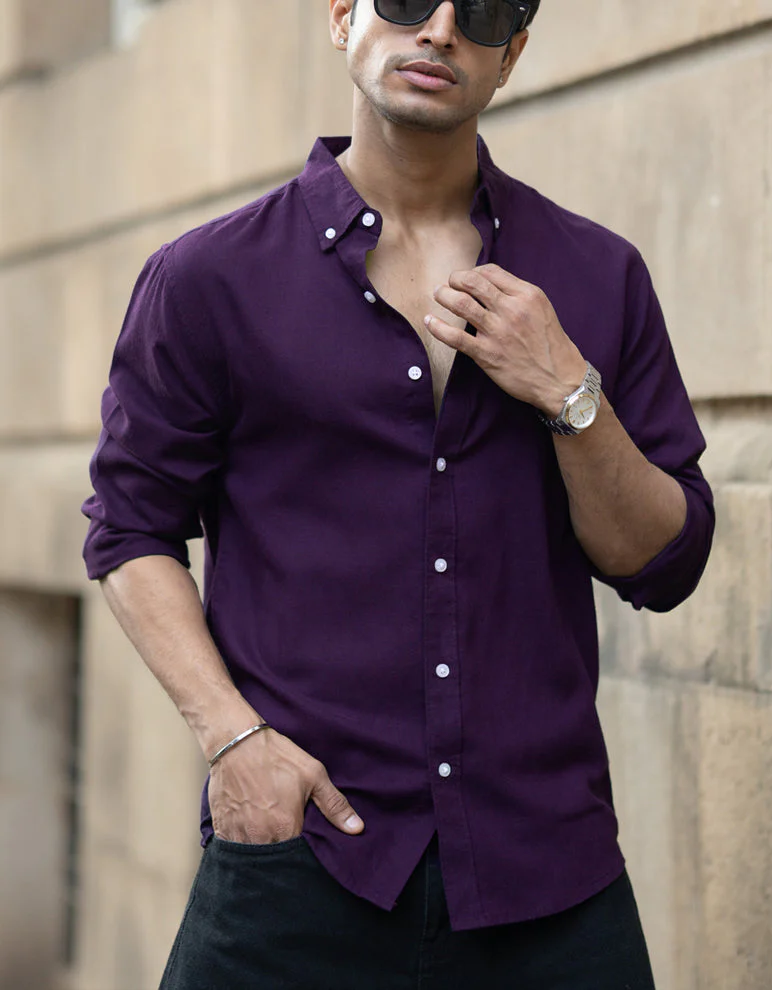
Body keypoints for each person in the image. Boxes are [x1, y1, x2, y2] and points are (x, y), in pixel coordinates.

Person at [81, 1, 715, 987]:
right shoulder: (211, 279)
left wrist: (568, 392)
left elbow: (663, 562)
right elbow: (130, 529)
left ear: (511, 56)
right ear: (343, 18)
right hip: (303, 858)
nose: (442, 30)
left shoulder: (596, 274)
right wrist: (234, 741)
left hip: (549, 876)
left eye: (486, 11)